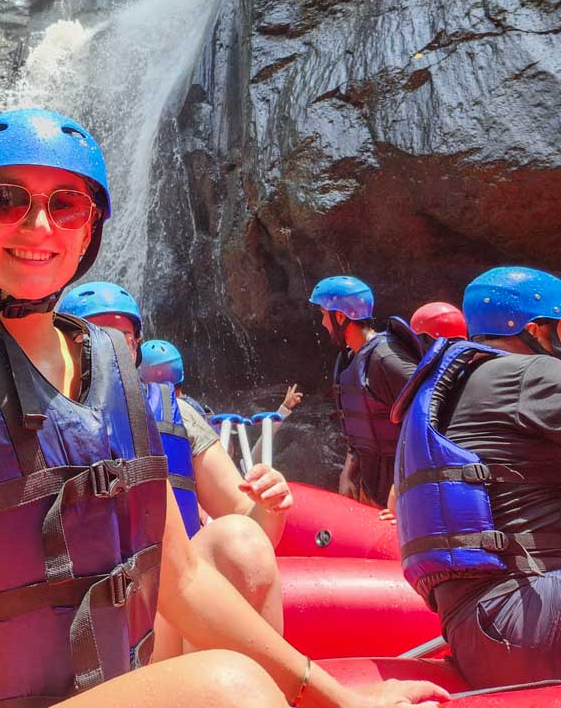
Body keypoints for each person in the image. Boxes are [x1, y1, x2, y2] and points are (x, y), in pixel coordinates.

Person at [0, 108, 445, 708]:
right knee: (228, 689)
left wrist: (335, 695)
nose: (38, 225)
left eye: (65, 204)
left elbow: (184, 581)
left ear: (91, 228)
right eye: (7, 199)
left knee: (234, 559)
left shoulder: (115, 381)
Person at [61, 282, 292, 643]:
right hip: (77, 625)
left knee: (240, 539)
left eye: (122, 336)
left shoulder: (179, 415)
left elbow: (250, 523)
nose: (110, 348)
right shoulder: (39, 423)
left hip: (168, 613)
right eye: (93, 336)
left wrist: (270, 505)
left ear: (135, 347)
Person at [392, 266, 561, 690]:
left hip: (477, 635)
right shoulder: (531, 375)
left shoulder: (454, 386)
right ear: (536, 330)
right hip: (527, 624)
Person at [310, 276, 420, 508]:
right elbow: (359, 432)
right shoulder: (349, 357)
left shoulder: (386, 359)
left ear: (340, 317)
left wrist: (400, 487)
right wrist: (347, 474)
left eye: (323, 314)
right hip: (371, 486)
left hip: (401, 494)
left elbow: (427, 423)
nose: (322, 323)